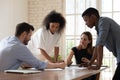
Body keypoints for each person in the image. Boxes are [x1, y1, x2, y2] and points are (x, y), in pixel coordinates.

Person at [0, 22, 65, 72]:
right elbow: (39, 65)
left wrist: (47, 63)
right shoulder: (19, 47)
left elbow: (24, 63)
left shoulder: (7, 39)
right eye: (30, 35)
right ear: (24, 34)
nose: (30, 39)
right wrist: (58, 65)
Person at [82, 7, 120, 80]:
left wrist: (98, 65)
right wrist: (90, 63)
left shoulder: (103, 22)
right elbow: (96, 48)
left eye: (86, 20)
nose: (85, 23)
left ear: (93, 17)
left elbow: (100, 45)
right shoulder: (99, 28)